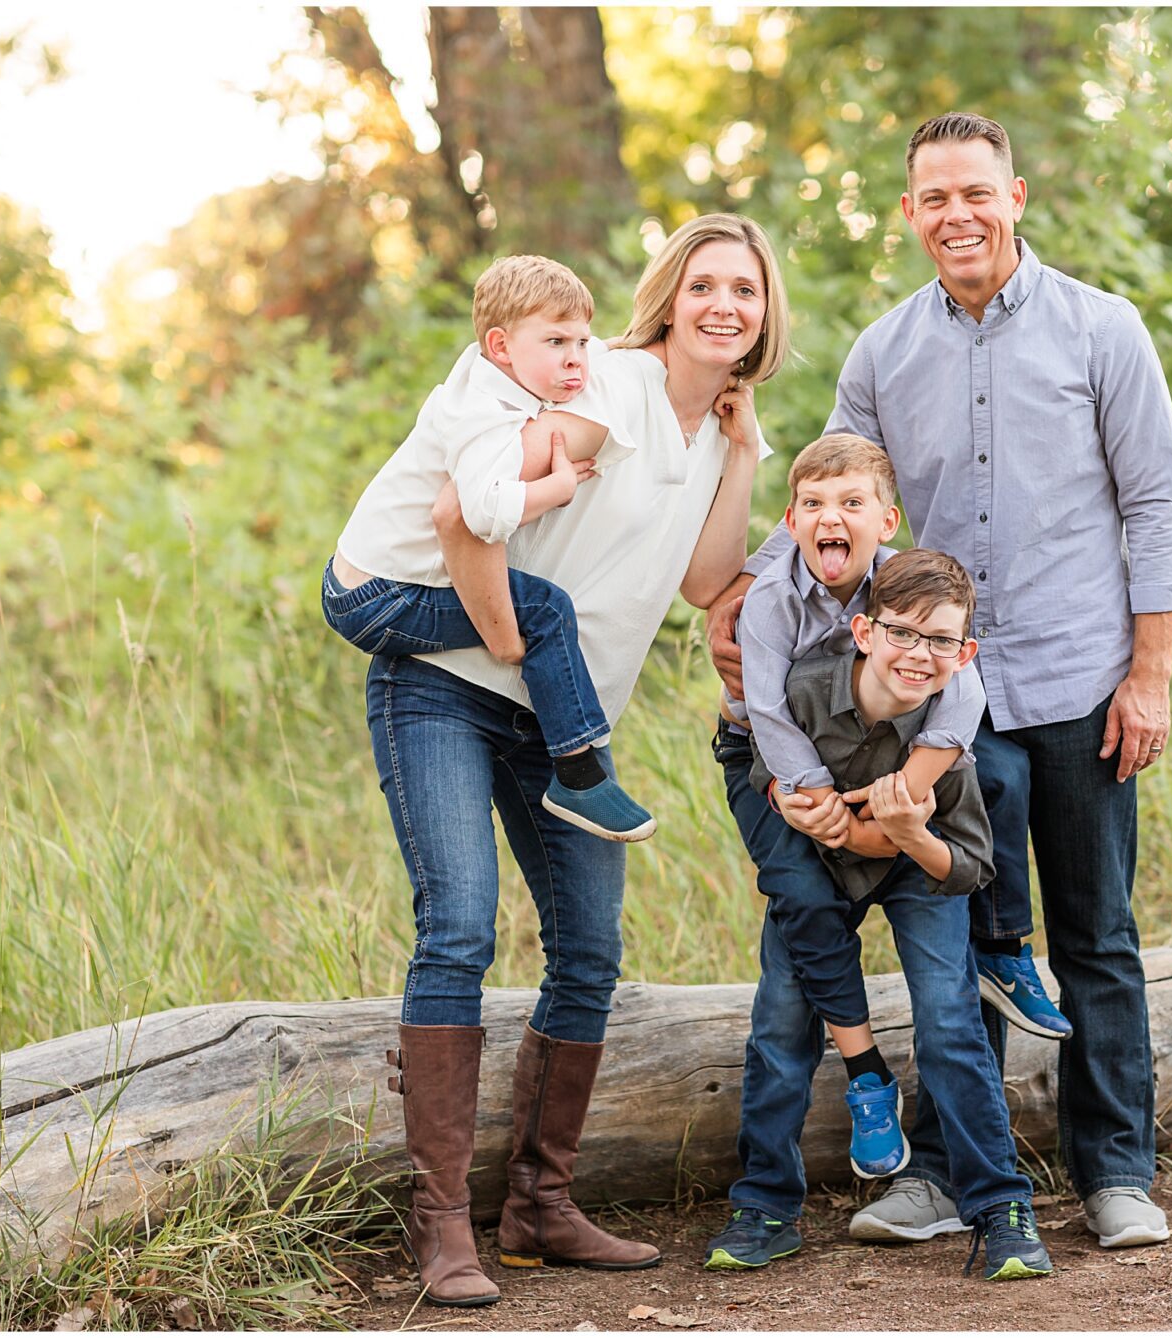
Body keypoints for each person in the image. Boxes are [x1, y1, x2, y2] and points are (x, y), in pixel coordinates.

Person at [708, 111, 1172, 1251]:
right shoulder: (882, 352)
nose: (956, 215)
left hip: (1077, 682)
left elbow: (1157, 503)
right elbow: (835, 502)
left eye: (975, 192)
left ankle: (1114, 1170)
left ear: (1014, 198)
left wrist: (1150, 673)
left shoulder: (1100, 329)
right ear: (911, 212)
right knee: (950, 940)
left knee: (1091, 935)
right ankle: (938, 1175)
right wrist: (751, 591)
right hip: (930, 703)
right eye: (933, 198)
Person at [346, 214, 789, 1307]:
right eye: (703, 287)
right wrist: (502, 637)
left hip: (562, 719)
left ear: (764, 312)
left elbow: (705, 580)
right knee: (458, 926)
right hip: (448, 684)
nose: (724, 306)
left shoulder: (711, 429)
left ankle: (540, 1207)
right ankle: (442, 1225)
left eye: (745, 289)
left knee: (588, 948)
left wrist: (741, 448)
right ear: (669, 300)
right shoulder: (614, 387)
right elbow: (465, 508)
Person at [705, 549, 1053, 1282]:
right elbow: (767, 773)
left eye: (941, 642)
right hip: (820, 865)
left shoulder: (948, 746)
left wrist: (907, 834)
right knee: (779, 1021)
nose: (919, 655)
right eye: (903, 633)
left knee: (950, 1022)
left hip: (914, 870)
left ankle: (1001, 1209)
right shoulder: (801, 695)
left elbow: (968, 870)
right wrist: (812, 812)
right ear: (863, 631)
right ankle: (765, 1203)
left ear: (966, 655)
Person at [727, 431, 997, 1178]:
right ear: (789, 521)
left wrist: (899, 803)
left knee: (995, 778)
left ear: (887, 521)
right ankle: (843, 1100)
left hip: (890, 760)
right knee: (803, 911)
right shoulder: (774, 597)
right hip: (776, 756)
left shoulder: (905, 592)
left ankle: (1007, 945)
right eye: (811, 503)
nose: (829, 517)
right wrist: (809, 797)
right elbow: (767, 712)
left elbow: (962, 687)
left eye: (851, 502)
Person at [325, 255, 656, 842]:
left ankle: (575, 768)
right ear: (501, 344)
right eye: (556, 342)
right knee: (547, 609)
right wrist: (553, 488)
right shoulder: (481, 415)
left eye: (580, 340)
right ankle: (579, 776)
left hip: (373, 581)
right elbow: (478, 511)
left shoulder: (499, 372)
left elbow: (592, 352)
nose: (576, 358)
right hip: (378, 594)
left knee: (542, 608)